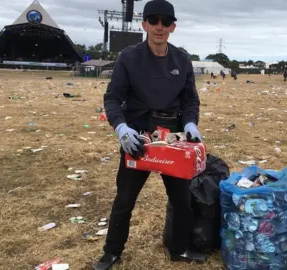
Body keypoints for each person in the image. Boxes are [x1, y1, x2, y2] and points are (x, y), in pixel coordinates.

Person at [93, 0, 206, 269]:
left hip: (173, 139)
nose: (159, 27)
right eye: (153, 21)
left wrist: (190, 123)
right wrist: (121, 128)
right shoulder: (129, 57)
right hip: (139, 138)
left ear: (173, 27)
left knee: (181, 200)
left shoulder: (182, 59)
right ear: (144, 25)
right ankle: (112, 251)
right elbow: (112, 98)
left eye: (165, 22)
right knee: (124, 199)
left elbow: (190, 100)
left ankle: (180, 249)